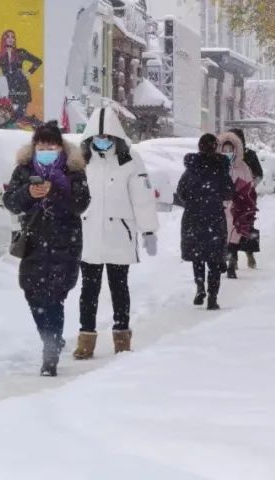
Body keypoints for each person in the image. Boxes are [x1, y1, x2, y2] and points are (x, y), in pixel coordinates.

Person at [3, 121, 91, 377]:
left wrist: (57, 192)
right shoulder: (24, 169)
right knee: (33, 295)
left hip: (65, 241)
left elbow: (81, 204)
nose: (46, 148)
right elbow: (11, 202)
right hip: (33, 243)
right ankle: (50, 337)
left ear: (60, 146)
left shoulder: (73, 170)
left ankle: (50, 352)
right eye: (41, 144)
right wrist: (29, 193)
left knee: (55, 297)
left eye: (51, 144)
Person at [74, 107, 159, 360]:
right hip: (88, 234)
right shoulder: (81, 160)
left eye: (108, 136)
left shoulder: (129, 160)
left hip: (119, 234)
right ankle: (85, 339)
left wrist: (149, 231)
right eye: (99, 137)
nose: (103, 141)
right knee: (88, 289)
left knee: (119, 288)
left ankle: (122, 337)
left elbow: (142, 198)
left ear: (115, 137)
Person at [176, 134, 233, 310]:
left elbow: (181, 192)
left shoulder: (191, 168)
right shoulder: (221, 168)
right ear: (215, 147)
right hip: (214, 217)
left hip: (194, 217)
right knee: (215, 259)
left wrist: (193, 201)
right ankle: (212, 297)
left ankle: (200, 286)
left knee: (197, 255)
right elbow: (229, 192)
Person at [219, 131, 258, 277]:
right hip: (221, 207)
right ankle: (224, 259)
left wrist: (246, 201)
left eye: (230, 150)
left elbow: (249, 185)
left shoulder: (243, 167)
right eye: (225, 150)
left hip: (237, 207)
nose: (227, 153)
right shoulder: (217, 166)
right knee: (223, 235)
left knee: (235, 235)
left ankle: (231, 262)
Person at [0, 29, 42, 121]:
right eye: (8, 37)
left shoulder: (20, 52)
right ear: (3, 39)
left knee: (19, 116)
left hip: (21, 85)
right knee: (8, 116)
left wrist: (28, 73)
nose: (10, 39)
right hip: (7, 86)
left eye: (13, 37)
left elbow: (38, 61)